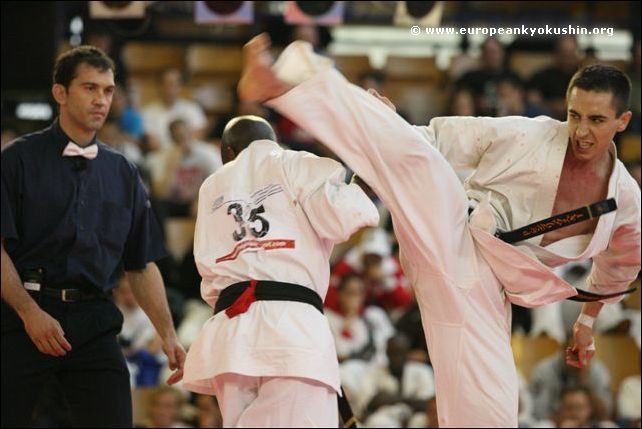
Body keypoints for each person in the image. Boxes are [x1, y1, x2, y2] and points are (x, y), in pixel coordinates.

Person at [238, 34, 641, 427]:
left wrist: (586, 324)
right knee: (421, 163)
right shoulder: (531, 135)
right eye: (574, 115)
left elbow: (619, 268)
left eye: (596, 120)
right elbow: (442, 140)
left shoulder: (625, 200)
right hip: (454, 228)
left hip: (487, 290)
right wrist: (389, 127)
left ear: (623, 121)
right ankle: (289, 82)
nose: (581, 131)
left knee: (494, 411)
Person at [1, 45, 185, 427]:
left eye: (107, 90)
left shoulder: (124, 172)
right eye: (89, 88)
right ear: (60, 93)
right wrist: (30, 313)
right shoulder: (16, 159)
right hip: (22, 316)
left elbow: (141, 262)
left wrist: (167, 334)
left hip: (94, 320)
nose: (101, 100)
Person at [181, 115, 379, 427]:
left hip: (230, 333)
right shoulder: (295, 164)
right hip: (292, 330)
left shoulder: (211, 188)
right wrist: (365, 179)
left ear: (229, 152)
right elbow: (342, 217)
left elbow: (206, 267)